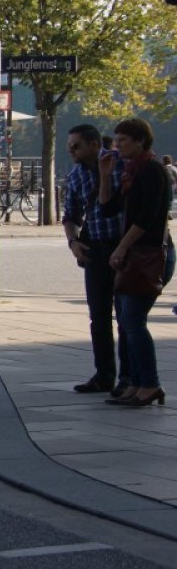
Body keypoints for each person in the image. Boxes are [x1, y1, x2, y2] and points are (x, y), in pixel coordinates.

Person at [100, 118, 172, 407]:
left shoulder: (153, 171)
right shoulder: (132, 170)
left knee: (133, 320)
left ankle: (149, 384)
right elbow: (109, 208)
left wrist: (121, 248)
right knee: (129, 321)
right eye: (116, 140)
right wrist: (105, 176)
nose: (117, 146)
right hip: (135, 252)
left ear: (141, 140)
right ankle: (139, 383)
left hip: (150, 253)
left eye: (123, 140)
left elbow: (147, 218)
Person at [63, 124, 129, 396]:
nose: (72, 152)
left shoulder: (121, 165)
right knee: (98, 317)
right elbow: (70, 215)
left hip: (124, 248)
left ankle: (128, 377)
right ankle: (104, 375)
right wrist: (73, 242)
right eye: (69, 147)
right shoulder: (76, 175)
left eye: (76, 146)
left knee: (127, 317)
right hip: (96, 251)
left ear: (93, 144)